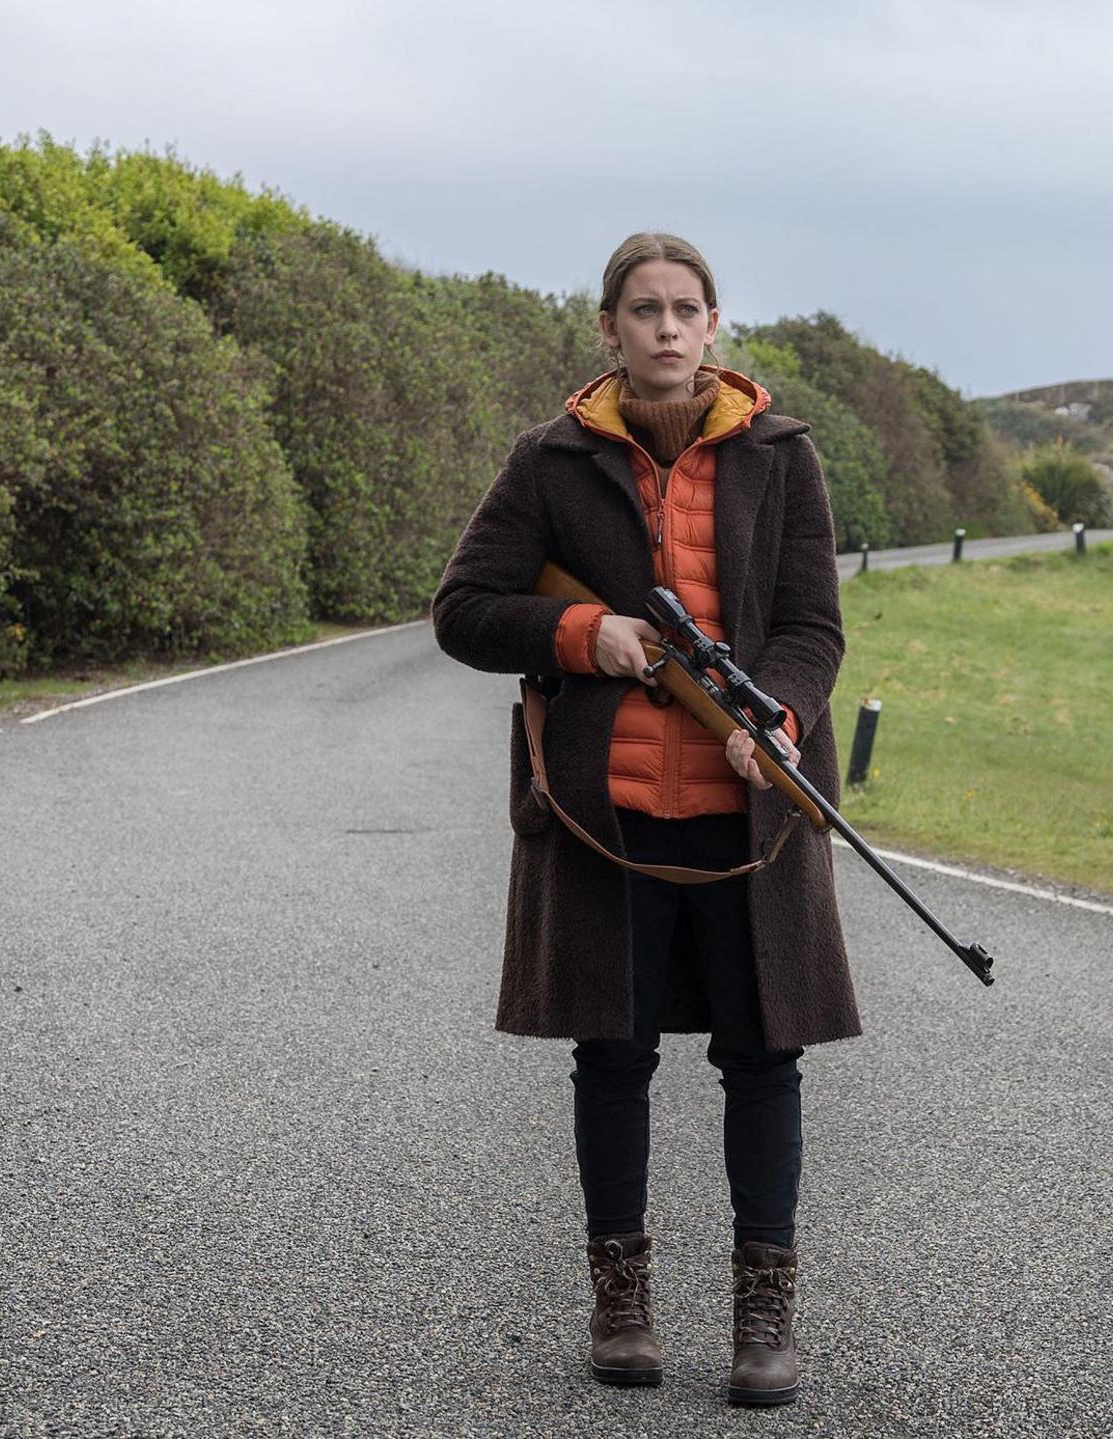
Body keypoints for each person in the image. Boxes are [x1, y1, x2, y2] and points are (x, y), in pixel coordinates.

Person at [429, 231, 863, 1407]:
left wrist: (777, 714)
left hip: (747, 810)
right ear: (609, 329)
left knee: (764, 1057)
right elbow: (463, 609)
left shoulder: (781, 456)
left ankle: (762, 1320)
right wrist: (584, 635)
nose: (666, 328)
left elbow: (815, 626)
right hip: (603, 813)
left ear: (715, 327)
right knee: (610, 1056)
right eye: (643, 310)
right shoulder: (550, 461)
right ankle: (620, 1303)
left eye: (686, 309)